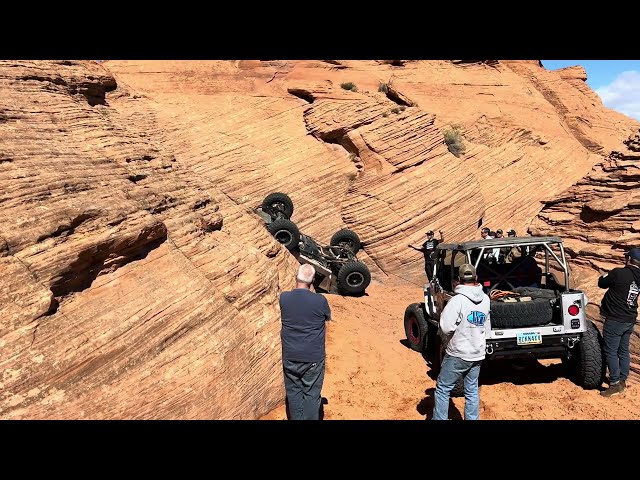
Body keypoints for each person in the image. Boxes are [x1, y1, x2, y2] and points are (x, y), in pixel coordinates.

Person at [432, 263, 491, 420]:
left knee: (443, 388)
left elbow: (445, 327)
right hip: (477, 353)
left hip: (458, 353)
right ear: (476, 278)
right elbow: (486, 325)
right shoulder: (485, 299)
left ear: (458, 280)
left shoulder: (457, 301)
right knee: (471, 389)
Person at [279, 264, 332, 419]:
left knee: (294, 393)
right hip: (313, 357)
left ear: (296, 277)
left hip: (290, 355)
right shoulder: (320, 300)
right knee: (311, 394)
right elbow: (327, 317)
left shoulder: (284, 298)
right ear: (313, 280)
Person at [598, 247, 640, 397]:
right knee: (623, 350)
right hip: (629, 318)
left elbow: (601, 283)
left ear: (629, 259)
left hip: (615, 319)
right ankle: (622, 379)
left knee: (610, 350)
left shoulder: (618, 273)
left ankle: (615, 383)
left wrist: (606, 275)